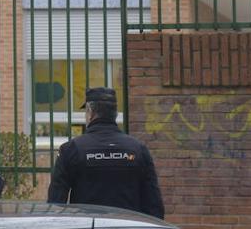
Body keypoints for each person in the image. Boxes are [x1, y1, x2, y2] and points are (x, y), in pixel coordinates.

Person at [46, 87, 165, 218]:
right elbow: (155, 206)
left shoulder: (71, 149)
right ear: (115, 114)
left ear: (90, 111)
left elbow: (56, 204)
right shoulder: (138, 149)